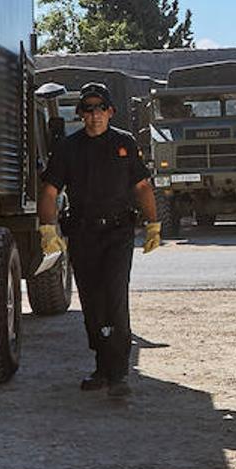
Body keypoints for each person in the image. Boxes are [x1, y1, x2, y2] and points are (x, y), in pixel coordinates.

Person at [38, 81, 162, 398]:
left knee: (115, 296)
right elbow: (50, 191)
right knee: (92, 301)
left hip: (118, 234)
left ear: (110, 112)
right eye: (88, 109)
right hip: (83, 233)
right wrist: (48, 229)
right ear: (80, 114)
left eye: (100, 109)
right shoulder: (68, 148)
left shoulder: (124, 142)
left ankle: (119, 373)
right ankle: (101, 366)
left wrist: (153, 224)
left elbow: (143, 187)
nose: (94, 115)